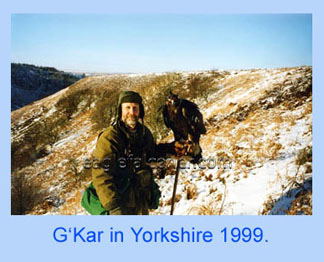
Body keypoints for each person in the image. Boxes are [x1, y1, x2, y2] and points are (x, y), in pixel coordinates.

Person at [83, 91, 175, 215]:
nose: (131, 112)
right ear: (120, 110)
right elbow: (101, 174)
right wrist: (114, 208)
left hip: (139, 201)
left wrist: (173, 149)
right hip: (119, 203)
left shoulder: (144, 133)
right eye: (127, 108)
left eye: (135, 108)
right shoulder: (110, 137)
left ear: (140, 111)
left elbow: (151, 154)